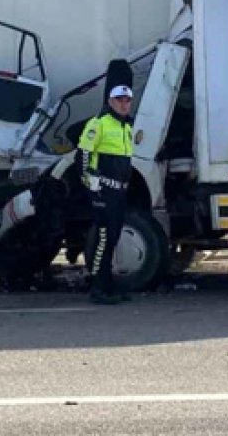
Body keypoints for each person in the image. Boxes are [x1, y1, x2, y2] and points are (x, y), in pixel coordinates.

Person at [78, 85, 135, 305]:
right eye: (119, 100)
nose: (123, 103)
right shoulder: (98, 123)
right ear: (110, 102)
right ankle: (98, 288)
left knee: (112, 239)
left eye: (127, 100)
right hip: (103, 192)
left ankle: (108, 284)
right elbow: (83, 154)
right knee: (102, 241)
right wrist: (90, 186)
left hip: (119, 192)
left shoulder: (126, 126)